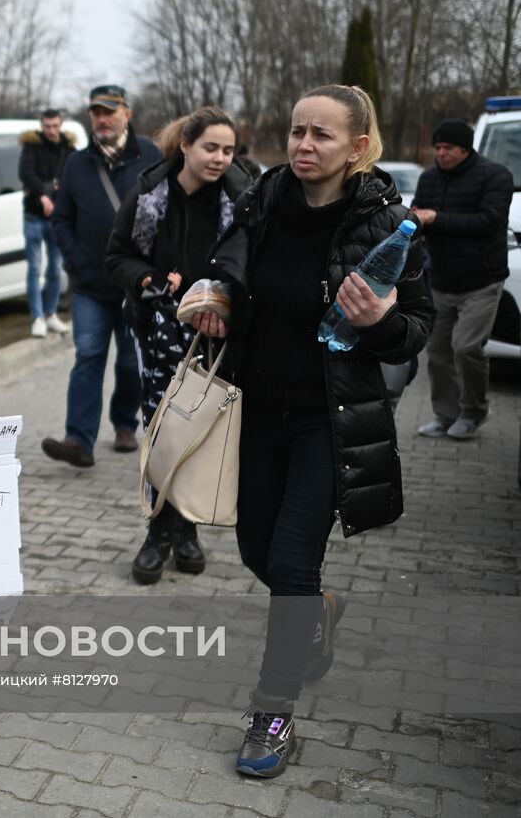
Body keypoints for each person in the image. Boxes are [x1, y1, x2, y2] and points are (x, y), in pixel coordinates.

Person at [192, 85, 431, 779]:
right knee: (256, 551)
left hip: (330, 420)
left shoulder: (388, 221)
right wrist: (216, 297)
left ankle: (272, 713)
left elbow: (417, 329)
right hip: (257, 406)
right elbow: (232, 258)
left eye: (321, 135)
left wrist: (378, 324)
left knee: (293, 565)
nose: (303, 145)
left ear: (358, 147)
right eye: (297, 131)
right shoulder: (265, 195)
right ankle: (319, 610)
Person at [106, 106, 248, 585]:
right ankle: (157, 532)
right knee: (163, 428)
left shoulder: (241, 198)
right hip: (159, 327)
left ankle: (186, 530)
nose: (220, 158)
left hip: (217, 333)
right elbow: (117, 255)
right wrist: (146, 277)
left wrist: (225, 295)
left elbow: (250, 262)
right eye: (211, 147)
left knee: (201, 428)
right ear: (186, 145)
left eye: (228, 150)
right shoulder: (149, 194)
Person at [43, 84, 160, 467]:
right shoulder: (77, 163)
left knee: (129, 362)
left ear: (127, 113)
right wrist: (75, 259)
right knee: (89, 355)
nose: (102, 118)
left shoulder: (150, 155)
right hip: (90, 284)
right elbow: (61, 219)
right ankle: (78, 439)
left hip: (135, 283)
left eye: (110, 111)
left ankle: (125, 422)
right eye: (96, 112)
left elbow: (168, 212)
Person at [410, 118, 514, 441]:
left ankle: (474, 411)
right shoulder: (429, 179)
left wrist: (436, 219)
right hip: (441, 281)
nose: (440, 153)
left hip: (482, 282)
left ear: (466, 149)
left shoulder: (496, 176)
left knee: (466, 347)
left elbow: (489, 221)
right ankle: (446, 415)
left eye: (448, 148)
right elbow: (418, 215)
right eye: (437, 147)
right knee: (437, 352)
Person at [18, 108, 76, 337]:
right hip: (33, 215)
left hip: (57, 218)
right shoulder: (32, 146)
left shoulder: (69, 149)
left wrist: (59, 194)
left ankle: (51, 313)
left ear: (61, 124)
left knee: (55, 268)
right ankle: (38, 317)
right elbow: (25, 173)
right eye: (47, 126)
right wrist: (42, 193)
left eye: (54, 126)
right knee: (34, 267)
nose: (51, 130)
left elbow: (72, 179)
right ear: (41, 126)